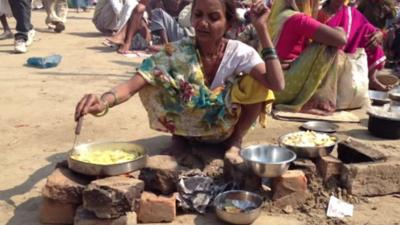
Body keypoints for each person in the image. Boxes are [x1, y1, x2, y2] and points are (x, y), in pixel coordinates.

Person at [74, 0, 284, 152]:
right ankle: (181, 138)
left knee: (257, 84)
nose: (203, 23)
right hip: (188, 125)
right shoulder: (175, 52)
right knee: (154, 76)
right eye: (198, 15)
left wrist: (262, 30)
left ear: (229, 24)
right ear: (191, 17)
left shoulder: (240, 52)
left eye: (213, 17)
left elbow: (277, 84)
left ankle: (235, 143)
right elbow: (132, 85)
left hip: (226, 126)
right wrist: (102, 102)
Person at [267, 0, 347, 115]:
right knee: (327, 45)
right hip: (283, 89)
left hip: (270, 85)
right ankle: (312, 101)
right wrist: (340, 30)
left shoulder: (277, 15)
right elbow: (341, 40)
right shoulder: (298, 19)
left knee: (325, 39)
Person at [318, 0, 390, 90]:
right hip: (327, 55)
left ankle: (372, 78)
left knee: (372, 37)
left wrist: (379, 34)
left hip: (350, 50)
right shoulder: (320, 13)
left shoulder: (351, 12)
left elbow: (366, 26)